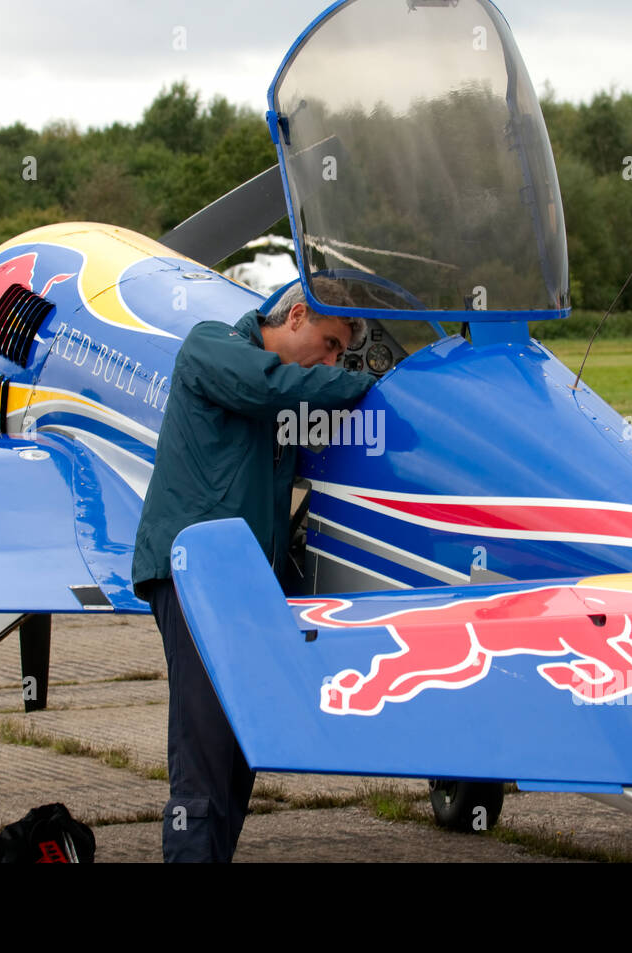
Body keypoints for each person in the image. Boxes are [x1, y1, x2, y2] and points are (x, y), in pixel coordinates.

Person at [131, 277, 373, 863]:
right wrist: (364, 384)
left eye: (341, 353)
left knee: (239, 750)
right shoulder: (211, 345)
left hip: (244, 585)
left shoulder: (288, 398)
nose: (333, 359)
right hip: (195, 578)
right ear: (295, 317)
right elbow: (271, 387)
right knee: (206, 749)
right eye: (331, 342)